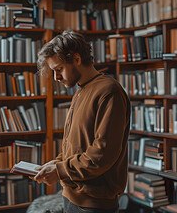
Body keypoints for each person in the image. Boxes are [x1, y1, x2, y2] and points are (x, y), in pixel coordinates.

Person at [33, 30, 131, 213]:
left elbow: (102, 155)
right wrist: (56, 163)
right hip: (70, 196)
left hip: (94, 204)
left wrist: (60, 170)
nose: (56, 78)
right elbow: (76, 144)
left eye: (59, 69)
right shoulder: (80, 90)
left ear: (76, 59)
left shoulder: (109, 91)